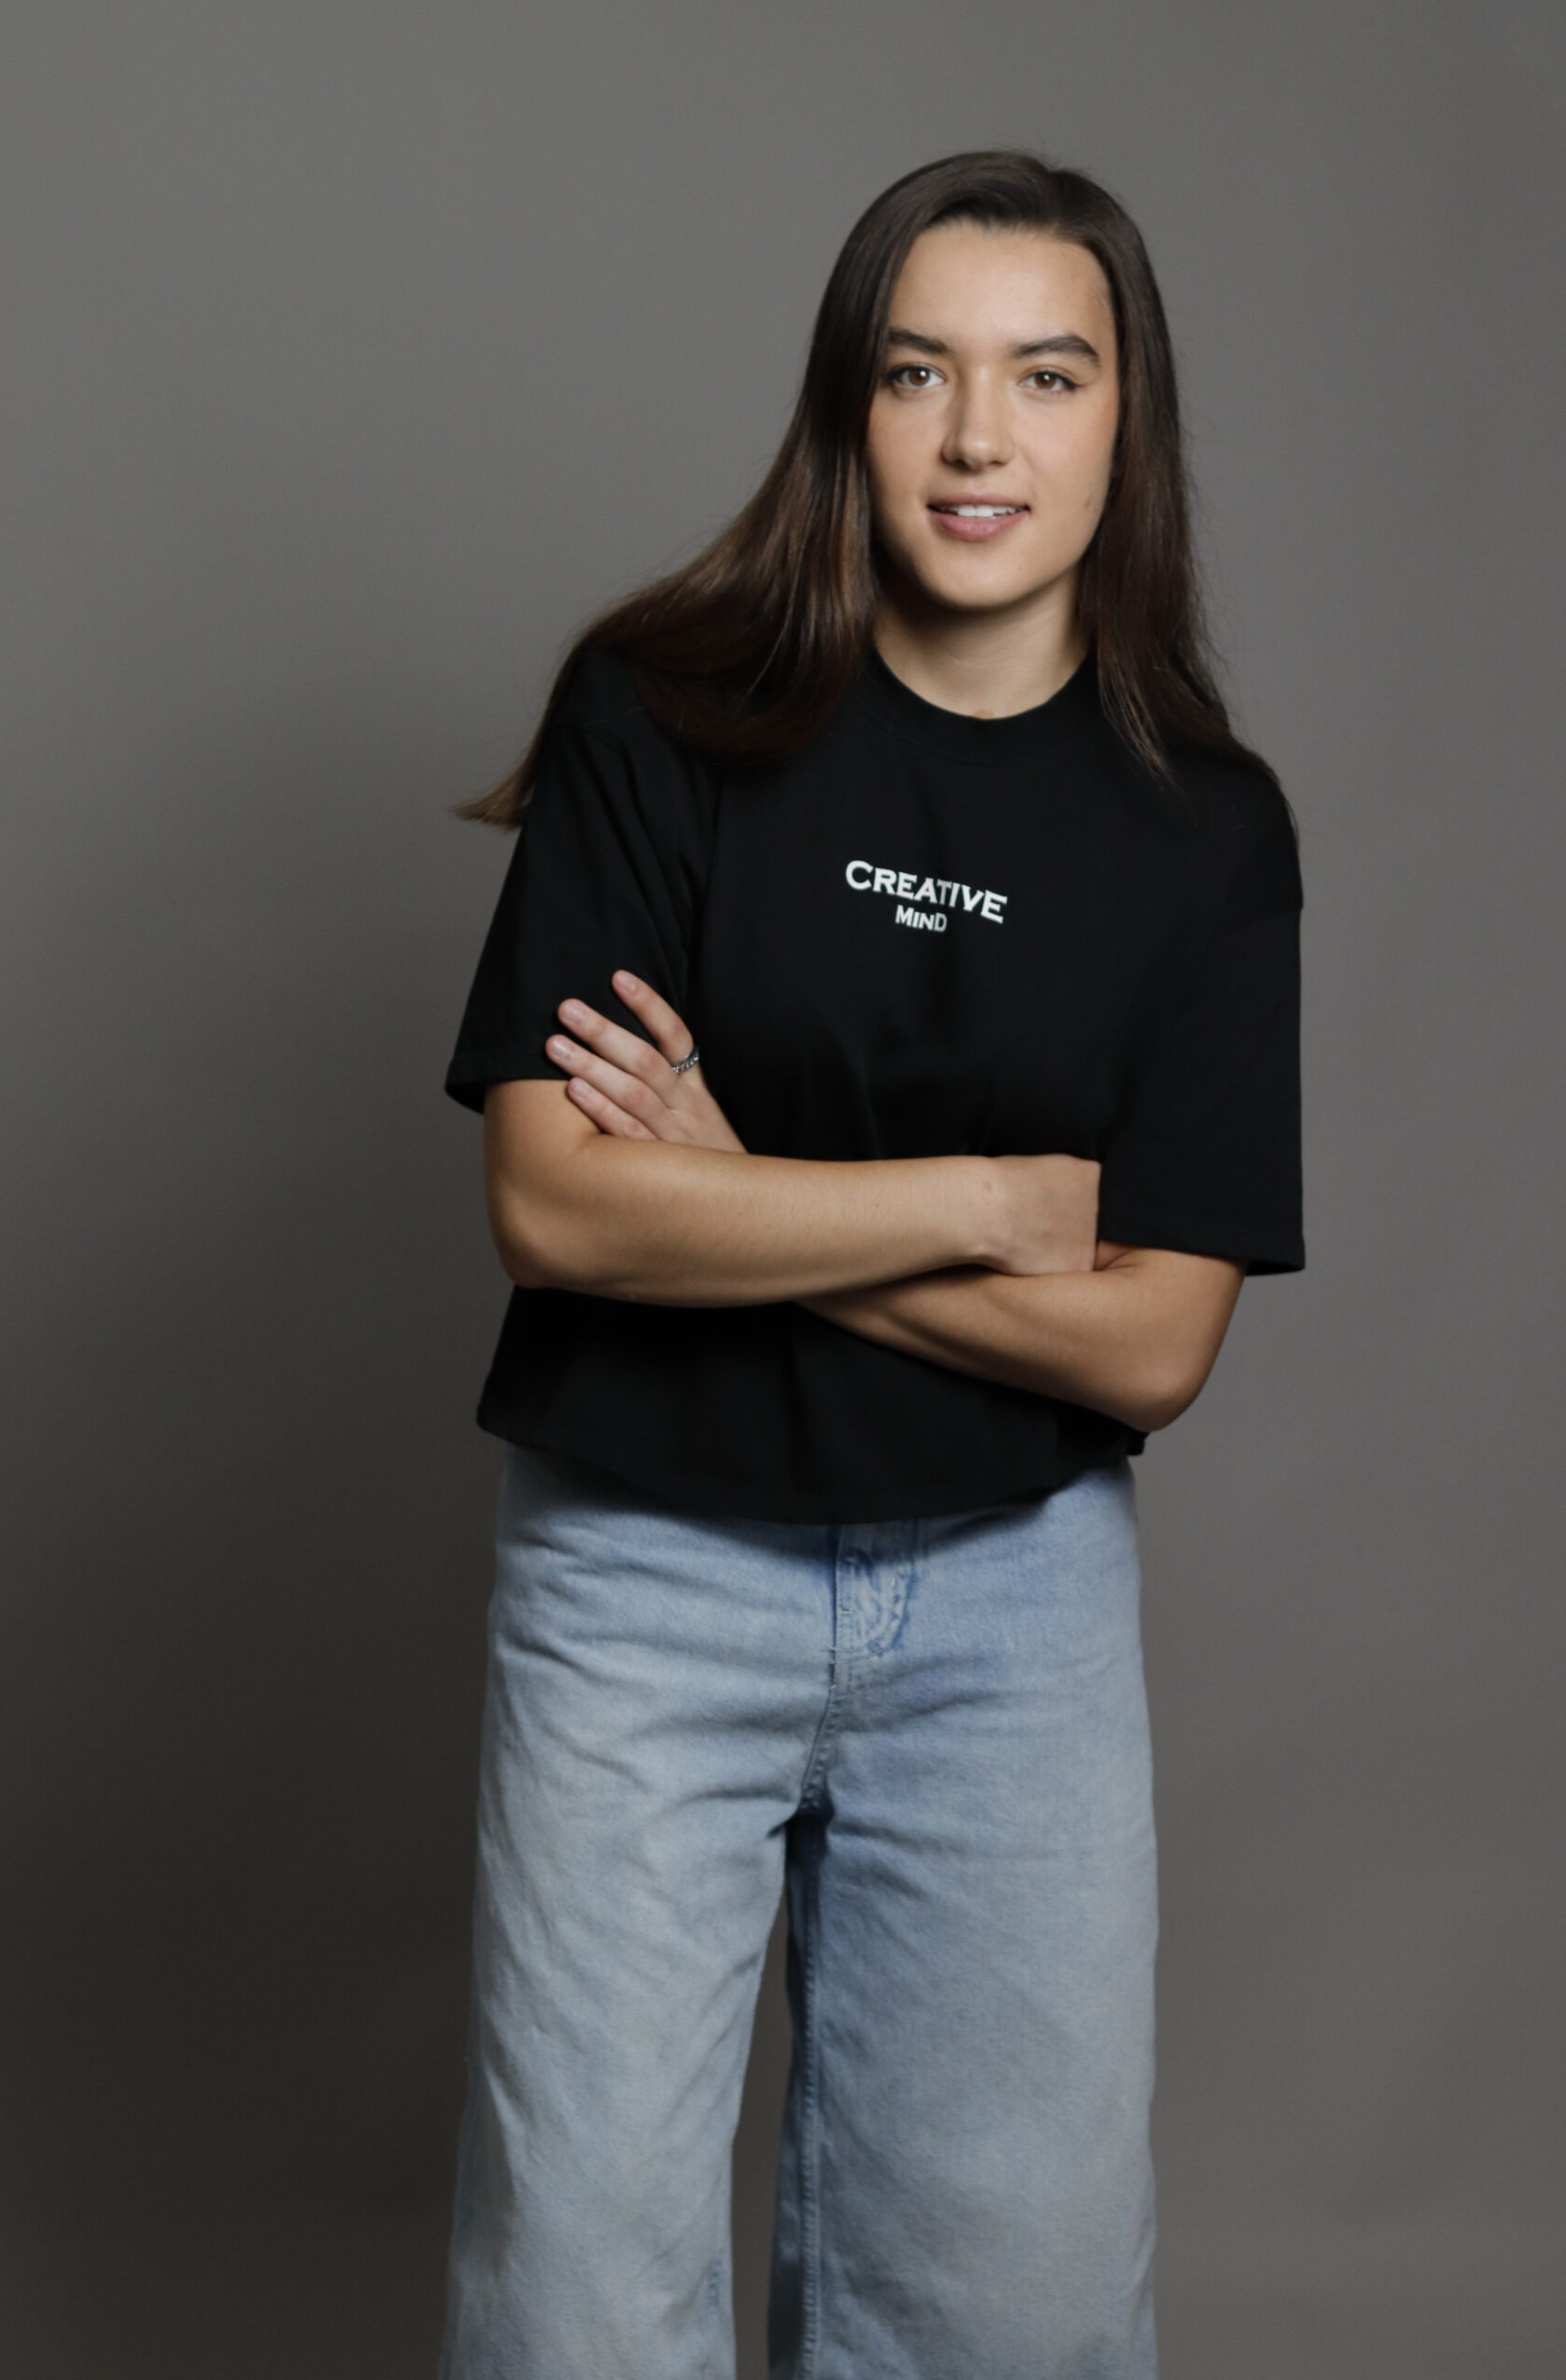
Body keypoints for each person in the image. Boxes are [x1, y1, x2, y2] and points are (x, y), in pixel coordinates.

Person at [438, 149, 1303, 2380]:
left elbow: (1151, 1343)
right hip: (642, 1566)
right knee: (577, 2294)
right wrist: (985, 1200)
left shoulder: (1205, 831)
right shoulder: (661, 711)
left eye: (1044, 374)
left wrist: (741, 1189)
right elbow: (558, 1204)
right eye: (917, 372)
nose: (975, 436)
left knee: (1006, 2310)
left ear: (1125, 419)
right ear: (849, 402)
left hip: (1012, 1608)